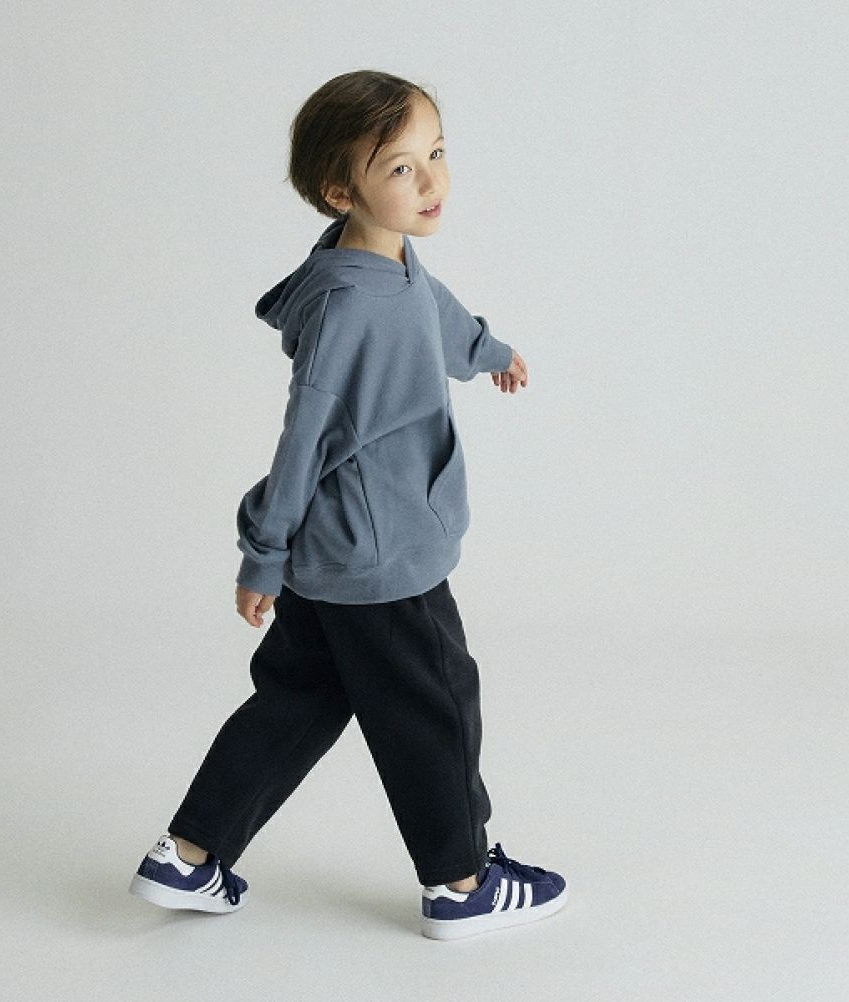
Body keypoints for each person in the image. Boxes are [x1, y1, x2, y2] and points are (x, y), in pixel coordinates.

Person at [128, 69, 567, 940]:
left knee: (299, 699)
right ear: (342, 191)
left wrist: (489, 351)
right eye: (401, 168)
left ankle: (188, 855)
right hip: (380, 553)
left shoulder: (380, 257)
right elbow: (305, 438)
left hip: (340, 551)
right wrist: (263, 555)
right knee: (436, 703)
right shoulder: (350, 307)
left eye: (436, 153)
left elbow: (435, 314)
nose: (433, 180)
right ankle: (460, 882)